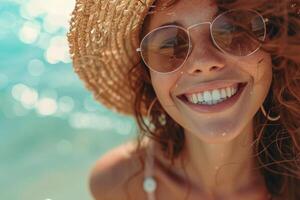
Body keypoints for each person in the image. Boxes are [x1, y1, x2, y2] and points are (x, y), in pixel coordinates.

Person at [67, 0, 300, 199]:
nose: (203, 62)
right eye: (171, 45)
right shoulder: (116, 183)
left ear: (274, 48)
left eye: (233, 30)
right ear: (148, 77)